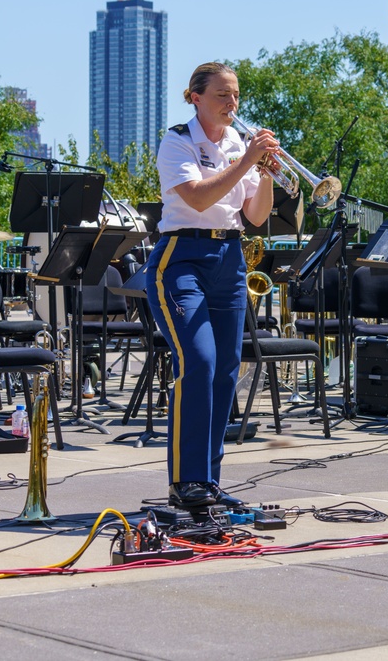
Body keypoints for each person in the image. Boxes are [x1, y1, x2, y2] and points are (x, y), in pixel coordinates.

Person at [149, 62, 279, 507]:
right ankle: (186, 482)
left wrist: (265, 172)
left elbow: (256, 216)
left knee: (226, 369)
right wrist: (247, 159)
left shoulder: (236, 144)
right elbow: (200, 197)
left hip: (229, 257)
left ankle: (209, 482)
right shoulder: (178, 141)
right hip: (182, 257)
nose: (232, 104)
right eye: (222, 95)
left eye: (236, 95)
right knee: (199, 363)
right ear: (196, 97)